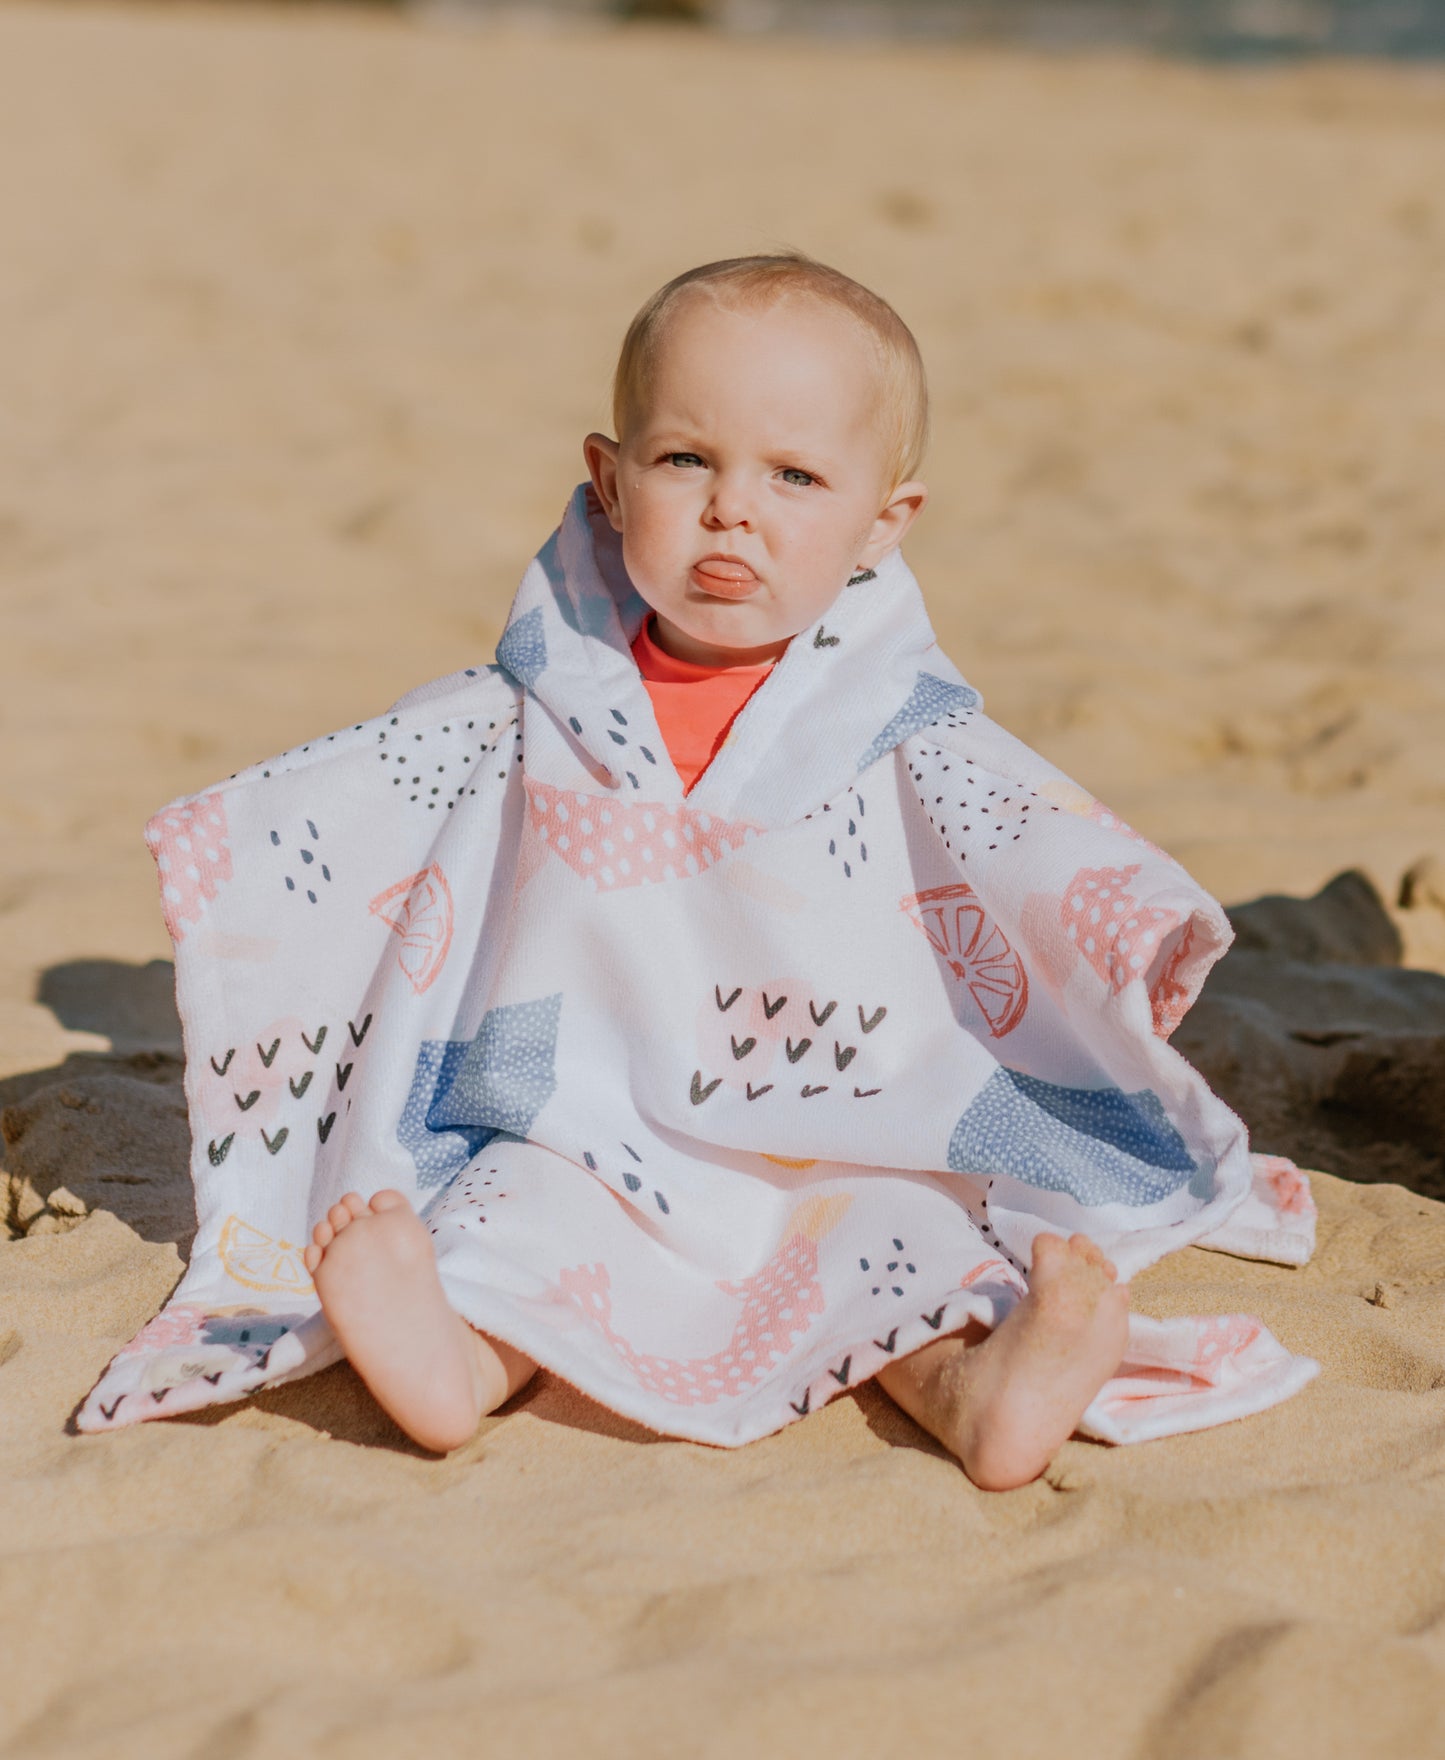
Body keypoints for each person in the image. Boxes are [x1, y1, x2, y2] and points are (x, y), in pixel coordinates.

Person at [80, 256, 1318, 1479]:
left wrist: (1129, 920)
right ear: (607, 483)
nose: (733, 508)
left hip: (839, 1129)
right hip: (589, 1117)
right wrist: (240, 840)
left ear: (883, 521)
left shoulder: (895, 720)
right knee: (513, 1225)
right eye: (686, 461)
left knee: (906, 1249)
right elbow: (393, 796)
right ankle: (449, 1360)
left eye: (794, 475)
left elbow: (1016, 831)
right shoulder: (539, 698)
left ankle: (985, 1387)